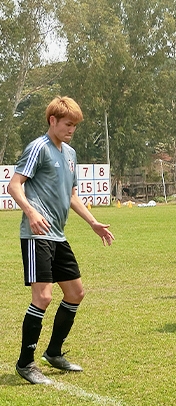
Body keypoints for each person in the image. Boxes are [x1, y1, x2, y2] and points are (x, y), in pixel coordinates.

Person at [8, 96, 115, 385]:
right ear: (52, 121)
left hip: (58, 235)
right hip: (36, 235)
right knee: (42, 297)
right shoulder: (38, 148)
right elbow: (14, 184)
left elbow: (71, 196)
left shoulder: (69, 154)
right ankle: (25, 363)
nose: (71, 129)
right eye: (67, 124)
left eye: (75, 126)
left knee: (75, 293)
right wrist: (30, 212)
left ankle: (54, 352)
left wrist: (93, 222)